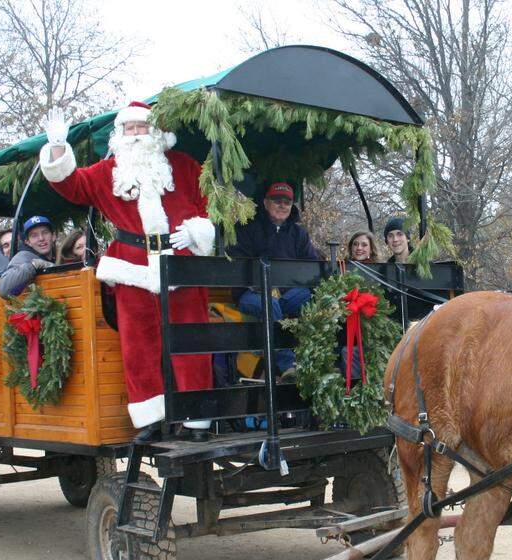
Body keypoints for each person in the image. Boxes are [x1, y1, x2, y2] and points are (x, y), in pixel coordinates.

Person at [39, 102, 215, 442]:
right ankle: (151, 418)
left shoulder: (185, 166)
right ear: (120, 134)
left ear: (157, 132)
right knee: (138, 346)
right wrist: (58, 148)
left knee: (193, 340)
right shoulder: (108, 172)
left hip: (183, 263)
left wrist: (197, 232)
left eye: (141, 127)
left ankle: (197, 419)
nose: (135, 134)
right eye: (129, 128)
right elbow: (72, 185)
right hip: (132, 268)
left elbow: (211, 208)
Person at [227, 182, 320, 380]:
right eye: (277, 200)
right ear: (265, 202)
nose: (282, 205)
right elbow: (237, 262)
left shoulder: (299, 234)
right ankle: (287, 367)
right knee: (269, 304)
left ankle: (317, 361)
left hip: (288, 295)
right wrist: (260, 287)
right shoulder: (246, 228)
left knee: (312, 298)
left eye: (287, 202)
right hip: (253, 293)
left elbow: (311, 267)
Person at [0, 215, 57, 297]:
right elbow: (4, 290)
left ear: (53, 236)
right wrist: (33, 265)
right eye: (34, 235)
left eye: (45, 232)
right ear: (28, 242)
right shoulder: (24, 256)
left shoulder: (59, 254)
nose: (41, 238)